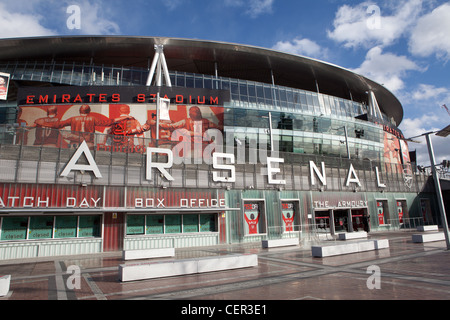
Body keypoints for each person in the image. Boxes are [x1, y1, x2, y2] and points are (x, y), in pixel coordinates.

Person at [54, 104, 131, 148]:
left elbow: (59, 125)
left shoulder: (73, 119)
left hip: (74, 144)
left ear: (79, 111)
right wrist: (123, 117)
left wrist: (68, 135)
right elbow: (107, 122)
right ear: (89, 111)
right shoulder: (92, 119)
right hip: (88, 144)